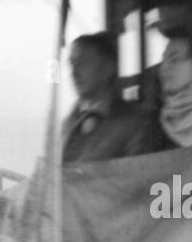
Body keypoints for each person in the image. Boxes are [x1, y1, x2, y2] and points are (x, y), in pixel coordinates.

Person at [61, 32, 156, 163]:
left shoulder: (135, 123)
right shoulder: (68, 123)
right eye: (72, 64)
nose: (74, 72)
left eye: (82, 63)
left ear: (107, 68)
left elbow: (136, 179)